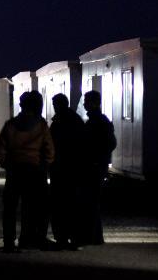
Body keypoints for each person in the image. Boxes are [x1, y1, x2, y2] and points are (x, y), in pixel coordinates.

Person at [0, 91, 55, 252]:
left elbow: (0, 152)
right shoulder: (41, 125)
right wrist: (43, 165)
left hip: (14, 171)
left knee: (10, 208)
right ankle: (28, 239)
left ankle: (8, 242)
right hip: (35, 172)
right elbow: (50, 151)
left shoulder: (10, 125)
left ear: (21, 106)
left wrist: (8, 165)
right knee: (33, 207)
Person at [79, 90, 116, 245]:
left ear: (94, 103)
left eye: (87, 101)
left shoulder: (97, 122)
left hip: (94, 166)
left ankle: (92, 236)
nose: (85, 104)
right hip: (97, 165)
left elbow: (108, 143)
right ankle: (94, 236)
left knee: (90, 200)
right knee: (92, 201)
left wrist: (95, 158)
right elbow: (111, 143)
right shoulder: (101, 121)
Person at [49, 93, 84, 249]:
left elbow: (51, 144)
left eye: (55, 104)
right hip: (74, 169)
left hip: (60, 168)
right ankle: (75, 237)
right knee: (73, 203)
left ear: (58, 105)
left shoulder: (57, 122)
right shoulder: (76, 120)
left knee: (59, 204)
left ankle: (61, 237)